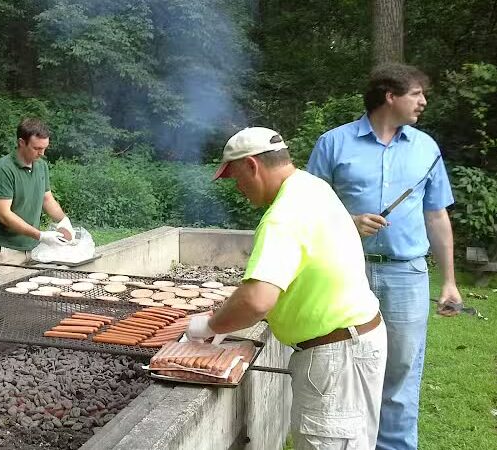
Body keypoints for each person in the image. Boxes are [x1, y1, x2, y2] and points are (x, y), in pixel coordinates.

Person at [187, 127, 387, 449]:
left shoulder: (282, 216)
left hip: (334, 357)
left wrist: (210, 325)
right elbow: (305, 270)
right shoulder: (312, 187)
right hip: (358, 341)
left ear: (252, 165)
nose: (238, 188)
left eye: (237, 177)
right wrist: (230, 314)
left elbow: (256, 301)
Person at [306, 63, 462, 450]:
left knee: (401, 373)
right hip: (344, 271)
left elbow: (436, 215)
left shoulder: (426, 148)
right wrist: (349, 222)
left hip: (406, 275)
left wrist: (449, 282)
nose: (423, 101)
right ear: (389, 96)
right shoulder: (333, 143)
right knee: (342, 366)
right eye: (416, 94)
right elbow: (307, 208)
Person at [0, 118, 74, 276]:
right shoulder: (3, 169)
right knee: (5, 300)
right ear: (21, 142)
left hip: (34, 250)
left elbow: (47, 199)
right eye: (37, 148)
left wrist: (64, 221)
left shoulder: (41, 166)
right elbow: (4, 215)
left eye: (45, 148)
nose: (42, 153)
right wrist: (41, 235)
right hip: (6, 252)